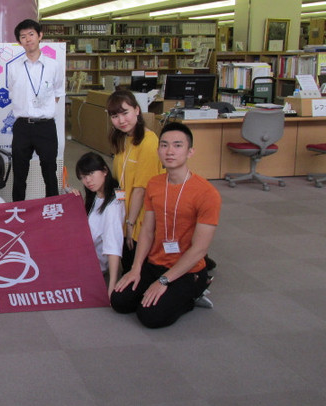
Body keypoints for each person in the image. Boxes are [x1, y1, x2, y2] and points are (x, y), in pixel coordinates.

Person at [110, 123, 221, 329]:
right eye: (164, 145)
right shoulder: (155, 184)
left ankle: (195, 292)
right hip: (156, 262)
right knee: (120, 301)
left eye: (177, 145)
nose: (170, 151)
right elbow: (147, 231)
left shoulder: (207, 193)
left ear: (190, 152)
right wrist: (136, 268)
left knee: (150, 316)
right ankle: (165, 291)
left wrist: (164, 281)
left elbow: (200, 249)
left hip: (188, 270)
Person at [7, 19, 65, 201]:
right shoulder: (13, 67)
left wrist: (43, 109)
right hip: (22, 126)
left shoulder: (53, 65)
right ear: (19, 41)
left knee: (49, 171)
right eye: (23, 36)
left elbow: (57, 93)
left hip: (45, 126)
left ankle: (52, 208)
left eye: (31, 34)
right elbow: (12, 92)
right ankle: (17, 209)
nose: (28, 39)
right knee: (19, 172)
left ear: (40, 36)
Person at [106, 90, 162, 273]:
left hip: (141, 219)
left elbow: (140, 189)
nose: (121, 120)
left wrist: (130, 225)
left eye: (125, 113)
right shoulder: (123, 138)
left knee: (135, 275)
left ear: (137, 110)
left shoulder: (149, 142)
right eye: (115, 116)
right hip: (125, 213)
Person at [73, 152, 124, 296]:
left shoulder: (112, 206)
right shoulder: (97, 194)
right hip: (84, 253)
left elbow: (113, 246)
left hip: (91, 264)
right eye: (83, 177)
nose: (88, 180)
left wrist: (112, 286)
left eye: (91, 174)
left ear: (105, 171)